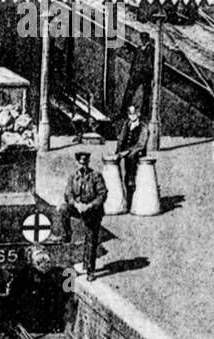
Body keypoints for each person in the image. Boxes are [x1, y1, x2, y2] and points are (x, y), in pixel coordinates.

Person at [59, 150, 108, 279]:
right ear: (77, 163)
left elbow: (102, 194)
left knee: (91, 240)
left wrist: (90, 205)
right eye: (80, 163)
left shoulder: (96, 176)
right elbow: (68, 194)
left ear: (88, 163)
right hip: (78, 207)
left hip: (92, 211)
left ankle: (90, 270)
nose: (83, 166)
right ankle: (66, 234)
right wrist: (76, 204)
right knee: (64, 209)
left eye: (85, 163)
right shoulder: (73, 177)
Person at [116, 103, 153, 209]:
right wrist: (118, 152)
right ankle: (125, 197)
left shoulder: (143, 127)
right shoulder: (126, 125)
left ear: (138, 114)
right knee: (124, 173)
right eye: (130, 113)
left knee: (132, 175)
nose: (132, 116)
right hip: (127, 153)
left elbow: (141, 144)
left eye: (134, 113)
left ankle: (132, 199)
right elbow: (121, 140)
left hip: (137, 153)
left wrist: (128, 151)